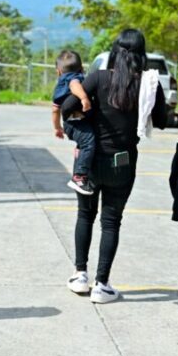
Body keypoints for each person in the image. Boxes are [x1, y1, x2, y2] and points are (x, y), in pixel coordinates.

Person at [62, 29, 167, 303]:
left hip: (90, 161)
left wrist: (86, 120)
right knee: (111, 222)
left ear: (114, 52)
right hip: (123, 163)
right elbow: (162, 120)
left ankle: (80, 275)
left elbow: (67, 107)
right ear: (141, 54)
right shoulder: (148, 84)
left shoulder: (98, 78)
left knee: (85, 215)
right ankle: (102, 285)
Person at [51, 50, 95, 195]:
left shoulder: (59, 85)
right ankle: (79, 177)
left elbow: (55, 110)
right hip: (77, 123)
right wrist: (84, 98)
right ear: (81, 68)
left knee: (83, 143)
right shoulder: (75, 78)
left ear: (58, 71)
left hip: (69, 124)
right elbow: (74, 85)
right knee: (88, 141)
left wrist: (57, 128)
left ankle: (79, 154)